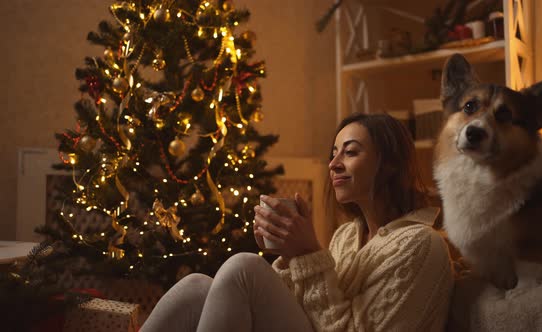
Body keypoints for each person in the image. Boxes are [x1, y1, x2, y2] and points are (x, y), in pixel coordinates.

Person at [140, 112, 454, 332]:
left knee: (244, 268)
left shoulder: (421, 245)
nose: (333, 164)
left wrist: (309, 255)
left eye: (350, 152)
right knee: (197, 287)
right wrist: (290, 256)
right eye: (333, 153)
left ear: (389, 165)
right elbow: (308, 310)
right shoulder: (347, 236)